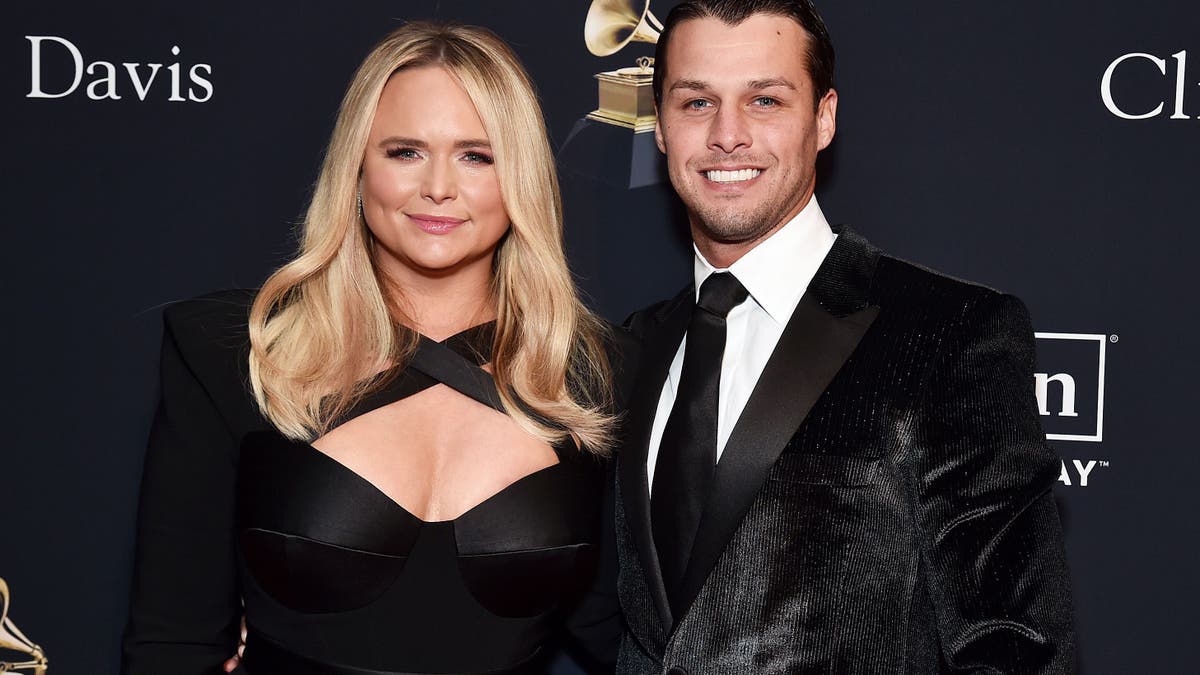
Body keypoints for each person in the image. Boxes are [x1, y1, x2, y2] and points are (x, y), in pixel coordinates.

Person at [122, 21, 627, 675]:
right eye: (405, 151)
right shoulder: (240, 350)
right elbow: (171, 644)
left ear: (521, 178)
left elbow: (628, 632)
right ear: (357, 169)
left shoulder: (594, 373)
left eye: (478, 155)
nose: (439, 186)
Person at [614, 1, 1077, 672]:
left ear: (823, 117)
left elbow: (1015, 647)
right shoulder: (631, 349)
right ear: (660, 126)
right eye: (696, 103)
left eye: (765, 100)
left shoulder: (950, 335)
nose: (728, 135)